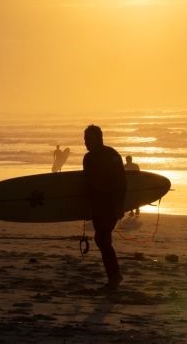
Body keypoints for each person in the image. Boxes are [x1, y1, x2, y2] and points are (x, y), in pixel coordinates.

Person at [83, 125, 126, 292]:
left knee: (103, 238)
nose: (86, 142)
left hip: (110, 203)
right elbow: (87, 184)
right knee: (101, 239)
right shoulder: (88, 159)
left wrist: (120, 205)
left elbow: (121, 182)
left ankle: (115, 277)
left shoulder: (111, 155)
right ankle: (114, 276)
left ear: (99, 139)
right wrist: (85, 208)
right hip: (97, 204)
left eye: (89, 139)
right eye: (85, 139)